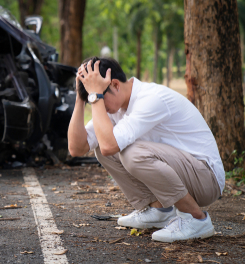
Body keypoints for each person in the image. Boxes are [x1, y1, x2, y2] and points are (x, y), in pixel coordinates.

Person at [68, 57, 224, 243]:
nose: (97, 102)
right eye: (92, 98)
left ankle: (196, 218)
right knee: (102, 146)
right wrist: (80, 97)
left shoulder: (150, 99)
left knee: (130, 153)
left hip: (206, 178)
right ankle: (158, 210)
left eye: (98, 96)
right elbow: (77, 148)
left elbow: (110, 146)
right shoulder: (115, 107)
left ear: (116, 85)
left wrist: (96, 97)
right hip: (186, 173)